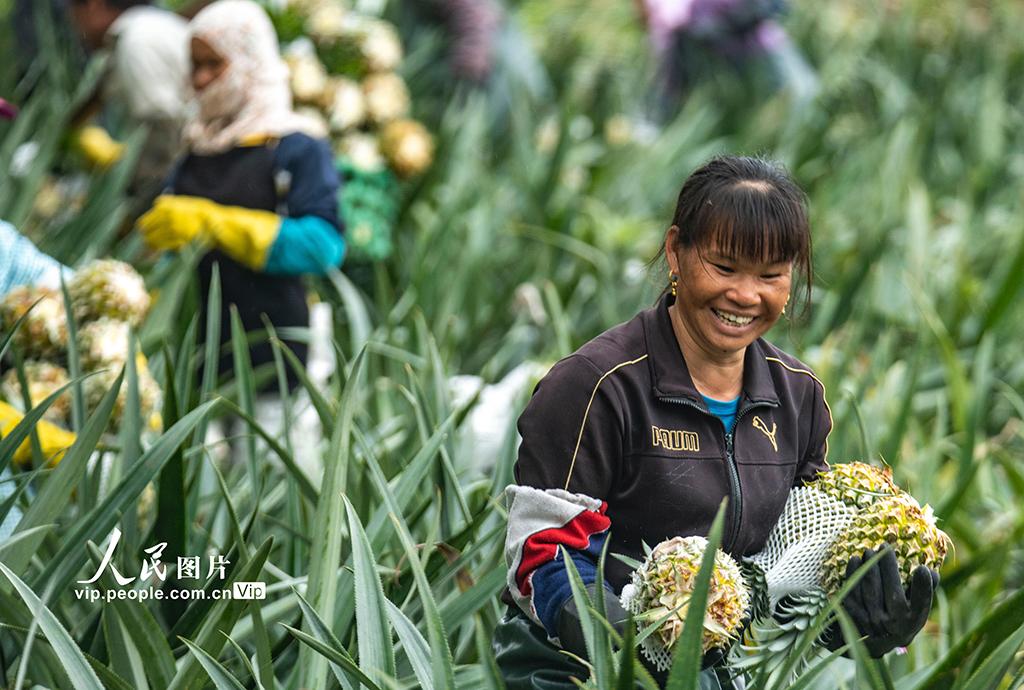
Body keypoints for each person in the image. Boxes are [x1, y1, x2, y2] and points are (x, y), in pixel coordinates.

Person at [495, 156, 938, 688]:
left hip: (724, 673)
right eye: (724, 268)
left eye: (771, 276)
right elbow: (543, 550)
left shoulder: (798, 396)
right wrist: (620, 640)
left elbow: (791, 561)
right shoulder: (596, 385)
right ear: (675, 251)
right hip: (572, 668)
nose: (746, 296)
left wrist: (853, 625)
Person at [136, 0, 344, 466]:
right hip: (200, 357)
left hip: (275, 351)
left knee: (270, 485)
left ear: (251, 62)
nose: (201, 79)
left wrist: (213, 223)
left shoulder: (295, 147)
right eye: (195, 66)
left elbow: (322, 245)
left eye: (215, 63)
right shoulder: (196, 148)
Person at [67, 0, 189, 198]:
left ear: (94, 6)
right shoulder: (150, 27)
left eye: (74, 15)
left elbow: (162, 126)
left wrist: (132, 197)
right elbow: (101, 93)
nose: (74, 25)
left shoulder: (137, 40)